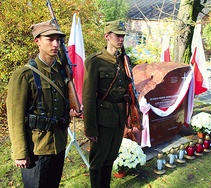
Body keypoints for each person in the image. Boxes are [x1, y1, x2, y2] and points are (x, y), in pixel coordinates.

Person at [6, 20, 81, 188]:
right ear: (37, 41)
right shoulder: (24, 75)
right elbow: (15, 117)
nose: (55, 44)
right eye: (50, 39)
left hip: (59, 145)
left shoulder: (61, 72)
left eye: (58, 40)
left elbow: (59, 104)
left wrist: (72, 110)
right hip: (36, 148)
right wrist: (20, 153)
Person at [82, 20, 130, 187]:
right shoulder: (95, 61)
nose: (121, 39)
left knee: (111, 157)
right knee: (98, 160)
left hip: (118, 117)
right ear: (107, 36)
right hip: (102, 119)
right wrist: (90, 128)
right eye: (118, 35)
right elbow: (88, 97)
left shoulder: (124, 60)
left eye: (123, 36)